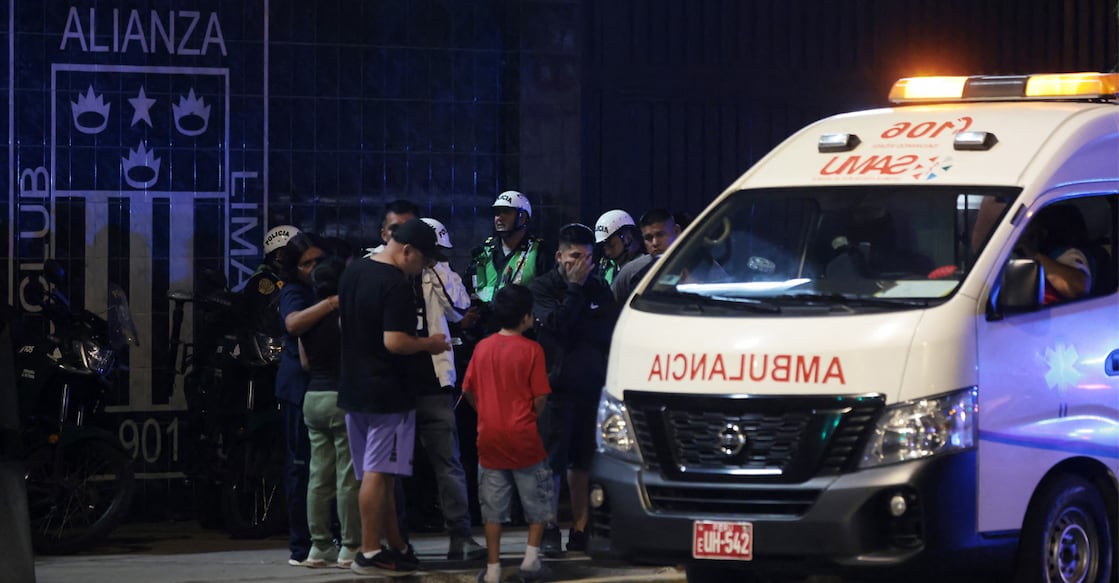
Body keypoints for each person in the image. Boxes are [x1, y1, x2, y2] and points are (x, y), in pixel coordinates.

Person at [365, 201, 486, 560]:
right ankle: (396, 541)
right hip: (392, 383)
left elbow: (460, 309)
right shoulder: (372, 265)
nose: (405, 237)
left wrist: (436, 265)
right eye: (396, 230)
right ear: (384, 233)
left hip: (433, 381)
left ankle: (460, 536)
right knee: (391, 469)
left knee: (448, 463)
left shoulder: (432, 267)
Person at [338, 217, 452, 577]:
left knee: (379, 474)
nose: (422, 269)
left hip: (353, 387)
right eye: (423, 261)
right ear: (407, 251)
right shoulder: (395, 285)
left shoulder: (354, 272)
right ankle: (370, 551)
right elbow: (395, 342)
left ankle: (395, 545)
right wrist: (430, 344)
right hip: (386, 393)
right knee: (378, 471)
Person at [530, 223, 620, 556]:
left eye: (588, 257)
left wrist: (582, 297)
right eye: (575, 257)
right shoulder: (542, 288)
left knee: (582, 463)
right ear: (559, 256)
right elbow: (557, 327)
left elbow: (607, 332)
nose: (582, 264)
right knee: (551, 462)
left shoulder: (598, 288)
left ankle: (581, 528)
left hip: (591, 388)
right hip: (555, 389)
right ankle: (549, 526)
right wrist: (574, 291)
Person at [462, 284, 554, 583]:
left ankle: (492, 569)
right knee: (536, 501)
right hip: (524, 437)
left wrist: (487, 413)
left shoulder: (482, 347)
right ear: (527, 317)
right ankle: (530, 560)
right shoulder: (533, 350)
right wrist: (527, 416)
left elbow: (468, 390)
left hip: (489, 438)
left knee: (492, 509)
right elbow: (541, 396)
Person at [276, 231, 337, 567]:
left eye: (318, 261)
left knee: (326, 470)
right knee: (302, 468)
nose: (313, 268)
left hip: (323, 388)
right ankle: (302, 544)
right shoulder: (296, 292)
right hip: (301, 390)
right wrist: (329, 304)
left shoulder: (322, 287)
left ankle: (325, 539)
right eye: (305, 263)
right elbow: (294, 323)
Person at [297, 255, 361, 568]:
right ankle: (350, 547)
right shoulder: (346, 317)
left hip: (313, 398)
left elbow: (305, 363)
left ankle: (318, 546)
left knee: (318, 477)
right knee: (347, 479)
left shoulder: (306, 319)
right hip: (341, 397)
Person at [463, 191, 551, 336]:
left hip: (522, 333)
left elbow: (547, 296)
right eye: (497, 213)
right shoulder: (484, 251)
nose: (499, 218)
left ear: (522, 217)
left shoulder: (539, 252)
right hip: (484, 332)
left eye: (506, 212)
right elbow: (465, 288)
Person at [1016, 203, 1093, 302]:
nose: (1022, 240)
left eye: (1028, 236)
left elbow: (1077, 288)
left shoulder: (1066, 254)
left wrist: (1033, 255)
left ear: (1042, 233)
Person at [611, 208, 682, 303]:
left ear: (677, 231)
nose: (655, 243)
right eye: (648, 238)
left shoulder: (696, 265)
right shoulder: (631, 271)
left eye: (660, 235)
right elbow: (609, 308)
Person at [594, 209, 644, 286]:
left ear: (628, 237)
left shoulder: (643, 267)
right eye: (604, 246)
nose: (607, 252)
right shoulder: (608, 268)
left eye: (611, 244)